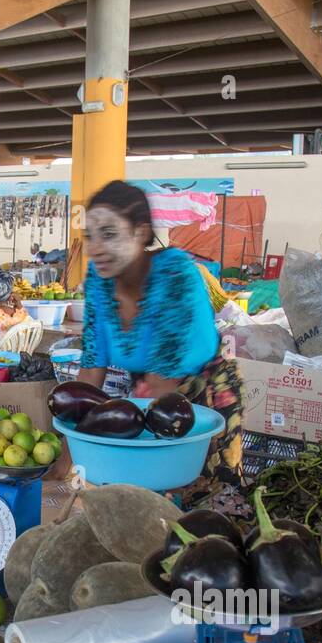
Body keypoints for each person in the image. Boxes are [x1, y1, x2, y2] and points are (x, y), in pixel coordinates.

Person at [76, 181, 242, 491]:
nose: (95, 247)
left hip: (200, 397)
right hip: (144, 394)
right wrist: (71, 450)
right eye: (90, 236)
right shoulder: (100, 281)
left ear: (140, 233)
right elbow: (90, 368)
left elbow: (161, 383)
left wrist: (99, 448)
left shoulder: (174, 275)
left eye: (109, 234)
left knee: (203, 496)